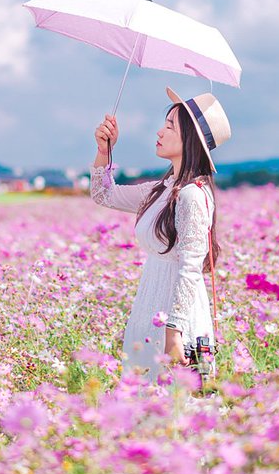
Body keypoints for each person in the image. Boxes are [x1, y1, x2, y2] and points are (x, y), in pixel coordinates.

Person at [89, 87, 232, 384]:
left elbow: (191, 268)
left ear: (190, 139)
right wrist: (104, 151)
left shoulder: (193, 196)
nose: (160, 131)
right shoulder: (160, 190)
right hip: (149, 304)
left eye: (170, 127)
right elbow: (103, 194)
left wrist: (174, 333)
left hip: (176, 319)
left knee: (174, 408)